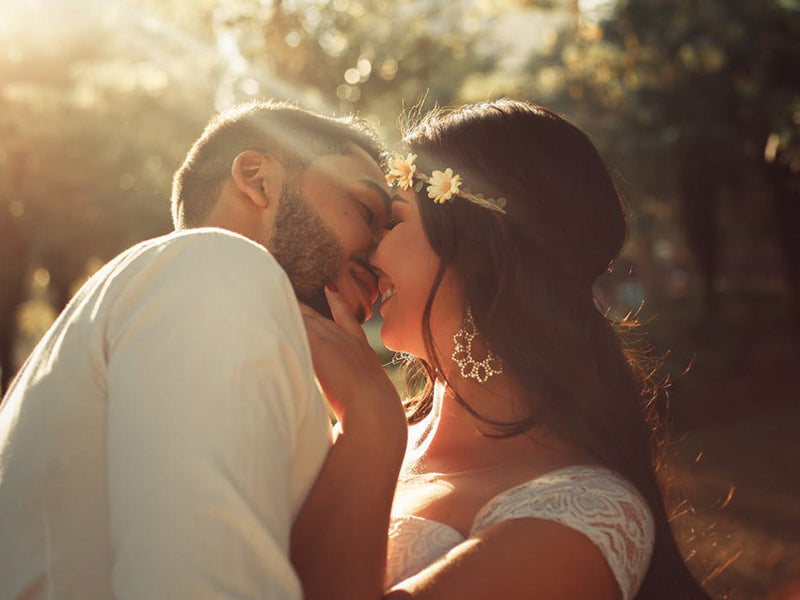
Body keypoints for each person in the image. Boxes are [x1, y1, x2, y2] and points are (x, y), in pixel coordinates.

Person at [293, 100, 711, 599]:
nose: (368, 248)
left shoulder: (586, 511)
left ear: (478, 250)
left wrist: (367, 420)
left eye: (392, 222)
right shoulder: (362, 429)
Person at [0, 100, 397, 600]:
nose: (385, 258)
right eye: (367, 211)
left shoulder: (182, 296)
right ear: (257, 179)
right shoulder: (218, 266)